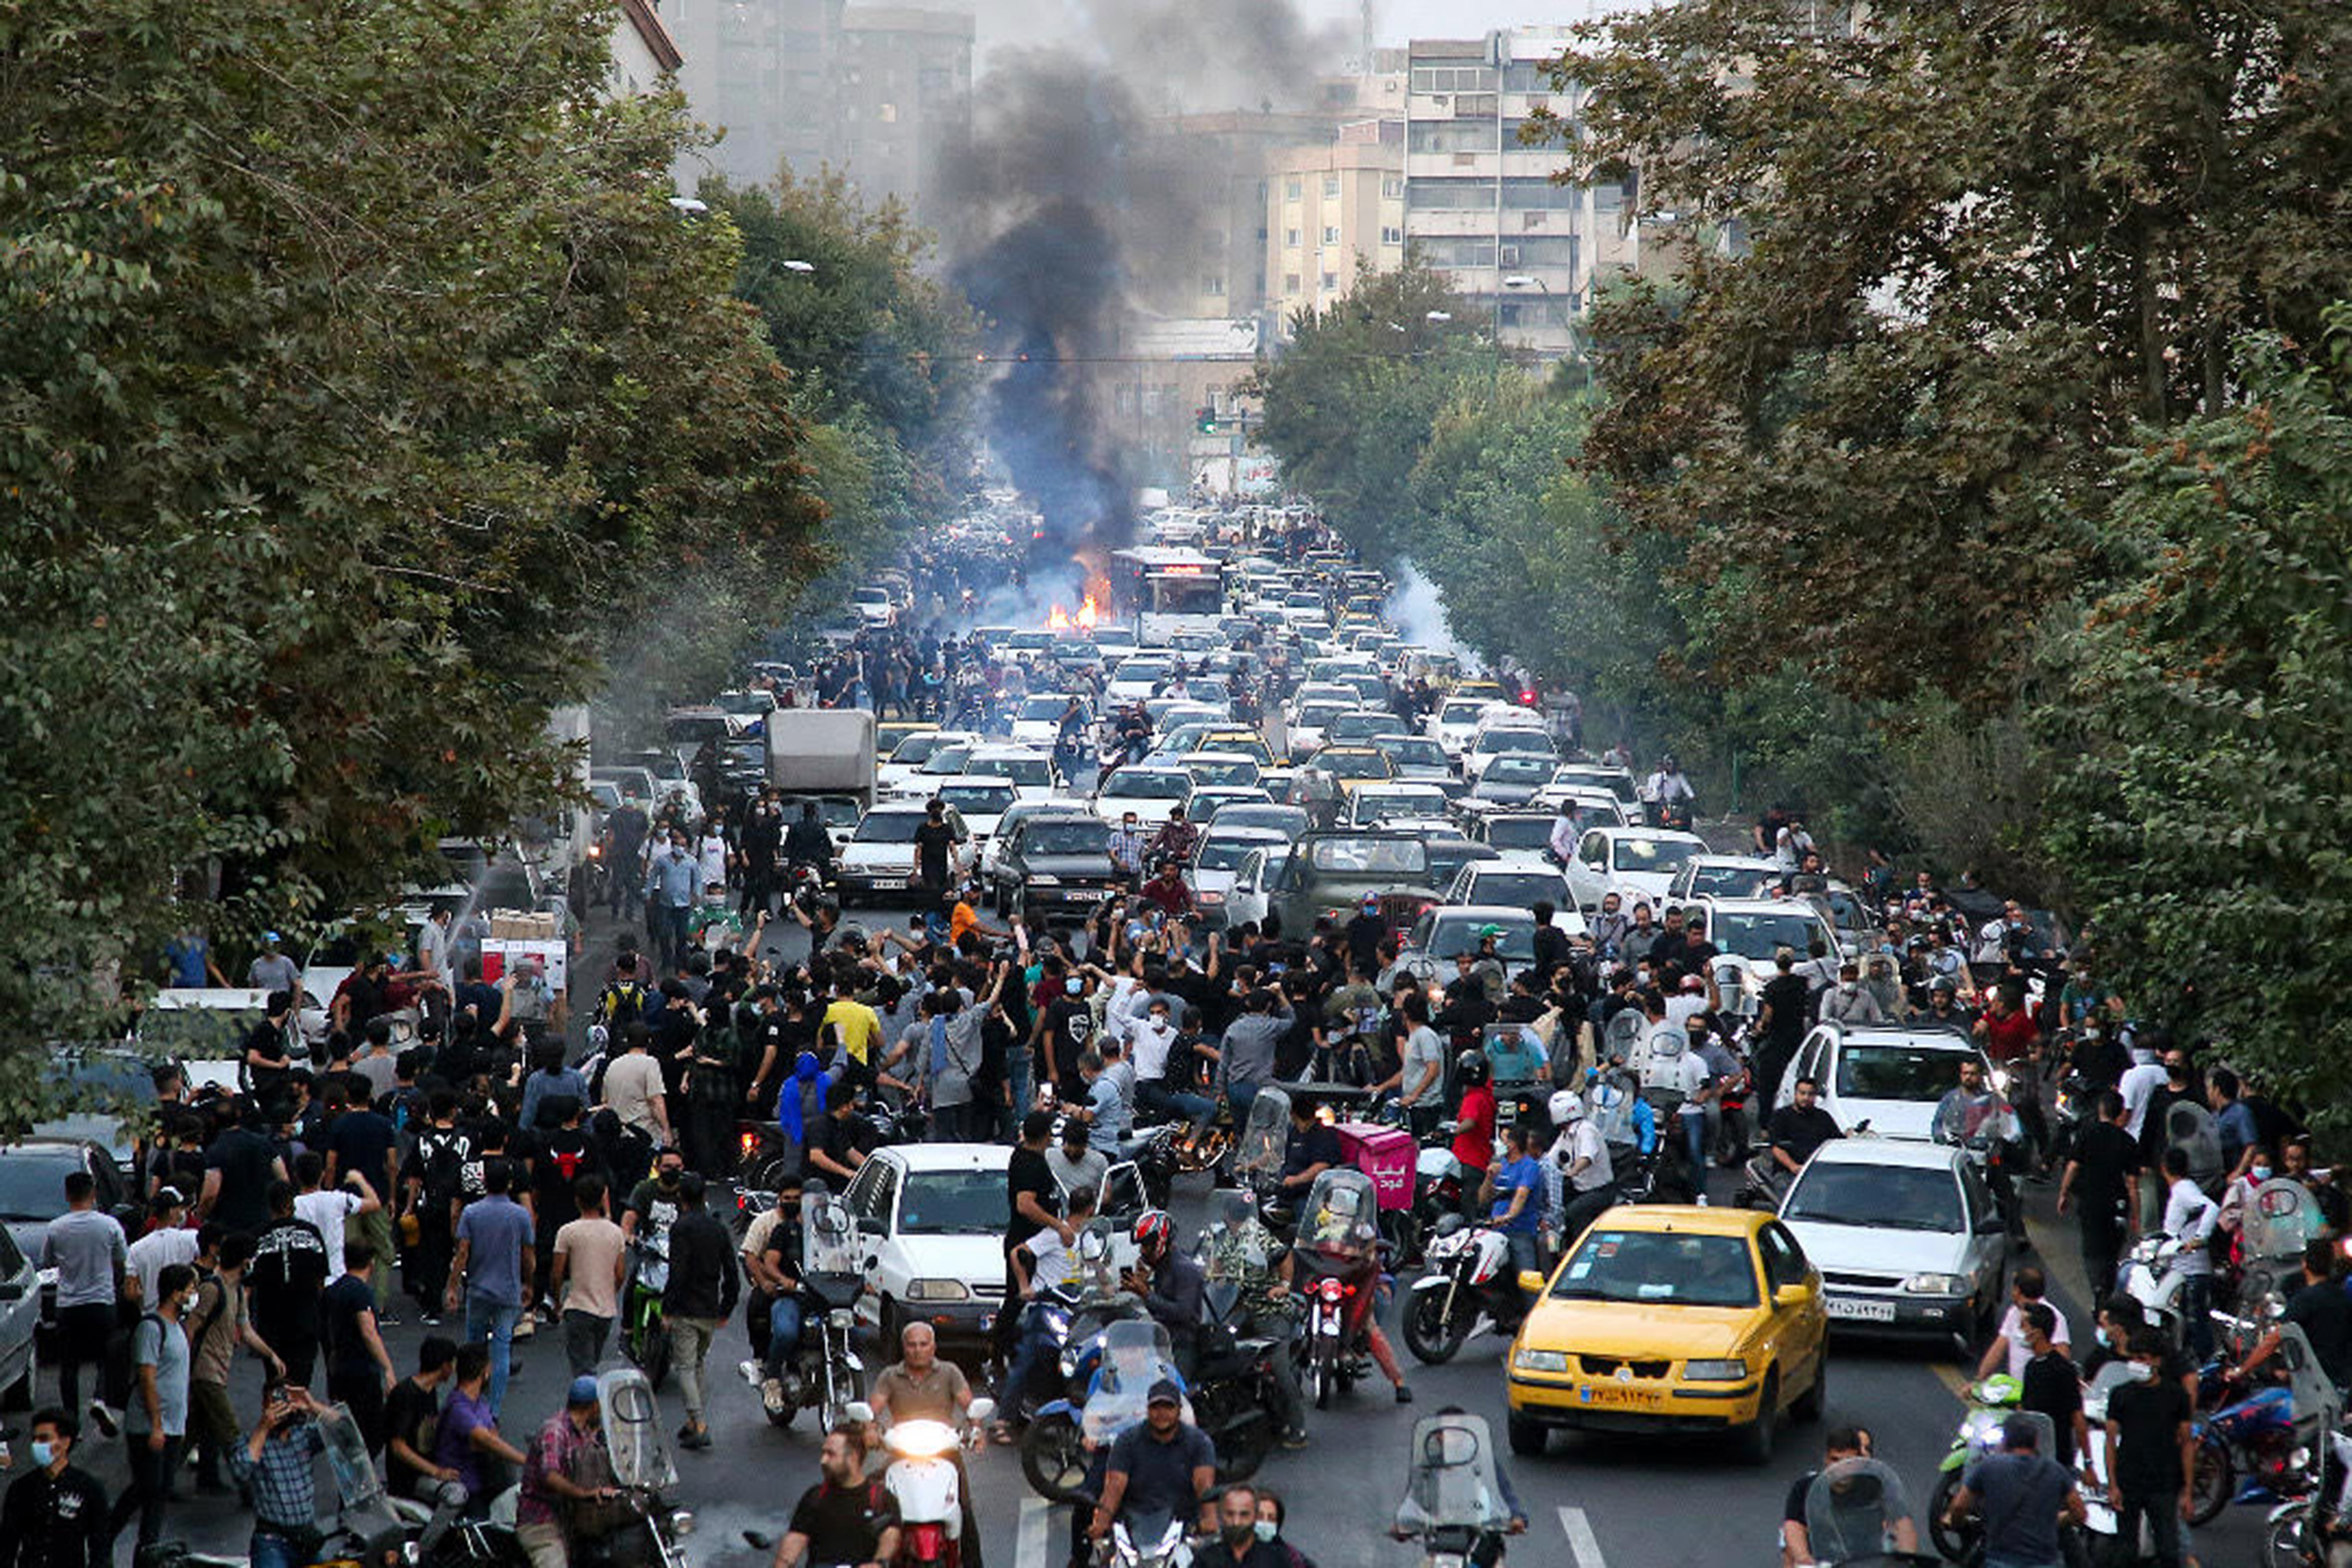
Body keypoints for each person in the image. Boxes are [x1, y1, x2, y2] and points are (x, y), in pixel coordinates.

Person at [108, 1261, 192, 1553]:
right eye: (190, 1289)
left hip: (173, 1425)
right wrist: (156, 1424)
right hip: (149, 1426)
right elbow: (147, 1376)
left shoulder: (177, 1328)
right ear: (176, 1293)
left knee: (159, 1490)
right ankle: (108, 1536)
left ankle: (148, 1549)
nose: (193, 1295)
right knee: (147, 1488)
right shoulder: (152, 1328)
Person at [39, 1172, 126, 1436]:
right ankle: (100, 1398)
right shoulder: (109, 1226)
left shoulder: (56, 1228)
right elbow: (122, 1259)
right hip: (102, 1300)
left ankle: (70, 1421)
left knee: (69, 1365)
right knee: (106, 1356)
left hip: (69, 1304)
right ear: (94, 1194)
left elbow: (48, 1261)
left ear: (67, 1195)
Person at [447, 1157, 534, 1417]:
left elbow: (462, 1253)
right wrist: (528, 1283)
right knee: (502, 1347)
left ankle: (470, 1399)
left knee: (474, 1345)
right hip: (508, 1290)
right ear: (509, 1183)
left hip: (478, 1289)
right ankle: (493, 1410)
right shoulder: (520, 1215)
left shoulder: (471, 1213)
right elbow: (528, 1254)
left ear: (484, 1182)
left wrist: (453, 1287)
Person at [1087, 1379, 1218, 1548]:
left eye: (1168, 1407)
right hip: (1134, 1529)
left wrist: (1210, 1519)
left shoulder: (1199, 1443)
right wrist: (1101, 1524)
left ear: (1179, 1410)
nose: (1161, 1413)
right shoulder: (1127, 1441)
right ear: (1147, 1410)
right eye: (1156, 1407)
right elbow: (1114, 1486)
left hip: (1181, 1530)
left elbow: (1204, 1485)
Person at [2102, 1329, 2194, 1568]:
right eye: (2133, 1358)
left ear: (2157, 1360)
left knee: (2169, 1551)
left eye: (2141, 1358)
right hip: (2129, 1481)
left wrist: (2187, 1491)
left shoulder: (2176, 1396)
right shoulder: (2120, 1395)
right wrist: (2113, 1485)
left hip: (2164, 1483)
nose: (2136, 1364)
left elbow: (2186, 1444)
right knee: (2126, 1551)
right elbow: (2110, 1442)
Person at [1941, 1416, 2084, 1568]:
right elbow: (2080, 1513)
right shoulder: (2056, 1470)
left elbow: (1959, 1507)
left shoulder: (1990, 1467)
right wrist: (2057, 1519)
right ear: (2036, 1442)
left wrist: (1957, 1523)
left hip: (2000, 1561)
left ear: (2005, 1441)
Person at [664, 1171, 738, 1451]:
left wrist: (669, 1309)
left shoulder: (681, 1229)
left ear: (680, 1198)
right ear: (705, 1196)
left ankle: (700, 1422)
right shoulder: (718, 1229)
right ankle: (693, 1421)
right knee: (698, 1364)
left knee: (685, 1366)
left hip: (686, 1308)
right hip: (710, 1308)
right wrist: (726, 1308)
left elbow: (677, 1272)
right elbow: (731, 1273)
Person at [516, 1376, 620, 1568]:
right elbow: (551, 1477)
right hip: (542, 1521)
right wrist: (583, 1494)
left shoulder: (587, 1431)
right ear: (594, 1406)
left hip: (576, 1518)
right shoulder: (555, 1431)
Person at [231, 1382, 332, 1568]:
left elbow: (344, 1430)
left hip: (305, 1537)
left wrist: (311, 1406)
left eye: (285, 1402)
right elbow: (241, 1472)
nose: (280, 1409)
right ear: (265, 1406)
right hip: (273, 1540)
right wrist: (263, 1428)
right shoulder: (251, 1441)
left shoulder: (303, 1436)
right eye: (275, 1403)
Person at [771, 1425, 901, 1568]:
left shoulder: (882, 1499)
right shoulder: (815, 1498)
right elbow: (794, 1541)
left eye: (831, 1454)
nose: (823, 1460)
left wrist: (878, 1563)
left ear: (853, 1458)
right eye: (823, 1453)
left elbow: (890, 1536)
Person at [385, 1335, 469, 1555]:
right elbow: (399, 1447)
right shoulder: (406, 1395)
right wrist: (436, 1472)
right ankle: (424, 1550)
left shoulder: (429, 1392)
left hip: (426, 1471)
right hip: (409, 1479)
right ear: (445, 1366)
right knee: (455, 1495)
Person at [0, 1408, 109, 1568]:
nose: (37, 1445)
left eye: (44, 1439)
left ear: (65, 1442)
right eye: (35, 1439)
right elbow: (7, 1547)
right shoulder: (21, 1489)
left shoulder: (89, 1489)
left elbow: (100, 1547)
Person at [2056, 1089, 2139, 1294]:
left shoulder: (2086, 1134)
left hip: (2091, 1201)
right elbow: (2132, 1183)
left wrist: (2064, 1193)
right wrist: (2136, 1214)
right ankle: (2108, 1285)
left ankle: (2098, 1289)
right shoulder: (2128, 1141)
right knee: (2112, 1250)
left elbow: (2073, 1166)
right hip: (2117, 1205)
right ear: (2121, 1113)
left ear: (2100, 1110)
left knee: (2092, 1249)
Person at [2239, 1238, 2352, 1389]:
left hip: (2316, 1388)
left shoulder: (2305, 1300)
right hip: (2344, 1383)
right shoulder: (2343, 1297)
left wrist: (2243, 1370)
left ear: (2305, 1264)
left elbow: (2273, 1340)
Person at [433, 1344, 528, 1519]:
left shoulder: (480, 1402)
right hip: (465, 1486)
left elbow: (492, 1435)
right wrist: (526, 1461)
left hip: (487, 1482)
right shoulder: (459, 1408)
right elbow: (487, 1440)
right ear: (485, 1372)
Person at [551, 1173, 627, 1379]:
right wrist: (609, 1292)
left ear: (577, 1200)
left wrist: (558, 1301)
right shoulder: (616, 1233)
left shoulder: (568, 1232)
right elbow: (620, 1273)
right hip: (606, 1310)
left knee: (582, 1369)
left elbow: (557, 1274)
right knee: (592, 1361)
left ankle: (588, 1407)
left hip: (578, 1307)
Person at [321, 1243, 397, 1449]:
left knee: (349, 1429)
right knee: (372, 1433)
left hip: (340, 1367)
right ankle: (366, 1478)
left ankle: (355, 1477)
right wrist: (388, 1368)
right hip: (363, 1370)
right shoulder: (361, 1292)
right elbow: (368, 1332)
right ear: (371, 1263)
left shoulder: (334, 1291)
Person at [2156, 1146, 2221, 1360]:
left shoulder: (2184, 1189)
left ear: (2164, 1168)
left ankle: (2205, 1361)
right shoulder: (2182, 1189)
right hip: (2180, 1267)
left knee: (2195, 1320)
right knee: (2184, 1319)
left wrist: (2200, 1238)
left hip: (2192, 1268)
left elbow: (2211, 1208)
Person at [1782, 1427, 1877, 1568]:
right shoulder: (1805, 1488)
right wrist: (1803, 1557)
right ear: (1826, 1459)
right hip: (1818, 1559)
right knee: (1790, 1549)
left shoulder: (1874, 1489)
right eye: (1835, 1460)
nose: (1841, 1468)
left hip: (1862, 1559)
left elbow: (1896, 1526)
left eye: (1849, 1461)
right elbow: (1793, 1526)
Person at [2013, 1303, 2090, 1473]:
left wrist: (2088, 1463)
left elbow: (2078, 1418)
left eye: (2024, 1325)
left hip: (2056, 1458)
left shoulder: (2063, 1370)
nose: (2020, 1329)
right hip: (2031, 1455)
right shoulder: (2031, 1367)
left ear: (2038, 1332)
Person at [1977, 1267, 2072, 1382]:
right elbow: (1997, 1349)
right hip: (2018, 1392)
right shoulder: (2013, 1313)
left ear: (2017, 1291)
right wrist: (1979, 1380)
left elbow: (2063, 1359)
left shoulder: (2054, 1317)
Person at [1482, 1122, 1548, 1280]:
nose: (1500, 1145)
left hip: (1520, 1231)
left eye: (1503, 1140)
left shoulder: (1530, 1167)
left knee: (1526, 1279)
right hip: (1496, 1233)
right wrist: (1489, 1177)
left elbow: (1521, 1195)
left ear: (1513, 1144)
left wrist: (1508, 1217)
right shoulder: (1501, 1166)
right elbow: (1483, 1199)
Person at [1197, 1483, 1287, 1568]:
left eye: (1244, 1515)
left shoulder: (1275, 1559)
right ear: (1221, 1516)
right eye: (1230, 1514)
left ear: (1255, 1516)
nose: (1236, 1522)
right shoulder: (1206, 1559)